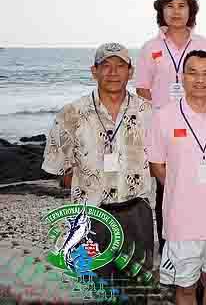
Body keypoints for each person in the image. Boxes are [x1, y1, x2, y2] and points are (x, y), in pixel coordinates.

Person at [42, 43, 154, 283]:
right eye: (106, 65)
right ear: (94, 71)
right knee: (95, 288)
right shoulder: (71, 114)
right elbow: (58, 167)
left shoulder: (149, 113)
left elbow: (160, 161)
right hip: (90, 215)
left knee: (137, 289)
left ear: (131, 72)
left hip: (136, 214)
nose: (113, 72)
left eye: (120, 66)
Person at [149, 50, 206, 305]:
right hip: (181, 220)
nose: (200, 80)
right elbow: (157, 164)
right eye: (192, 73)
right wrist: (183, 189)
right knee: (186, 286)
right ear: (182, 77)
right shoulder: (163, 116)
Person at [135, 0, 206, 253]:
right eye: (169, 6)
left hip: (201, 130)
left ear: (191, 10)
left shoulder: (205, 44)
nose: (176, 11)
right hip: (166, 132)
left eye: (182, 6)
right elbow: (143, 90)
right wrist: (157, 125)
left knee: (205, 187)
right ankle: (170, 250)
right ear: (161, 10)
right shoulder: (150, 48)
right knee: (167, 190)